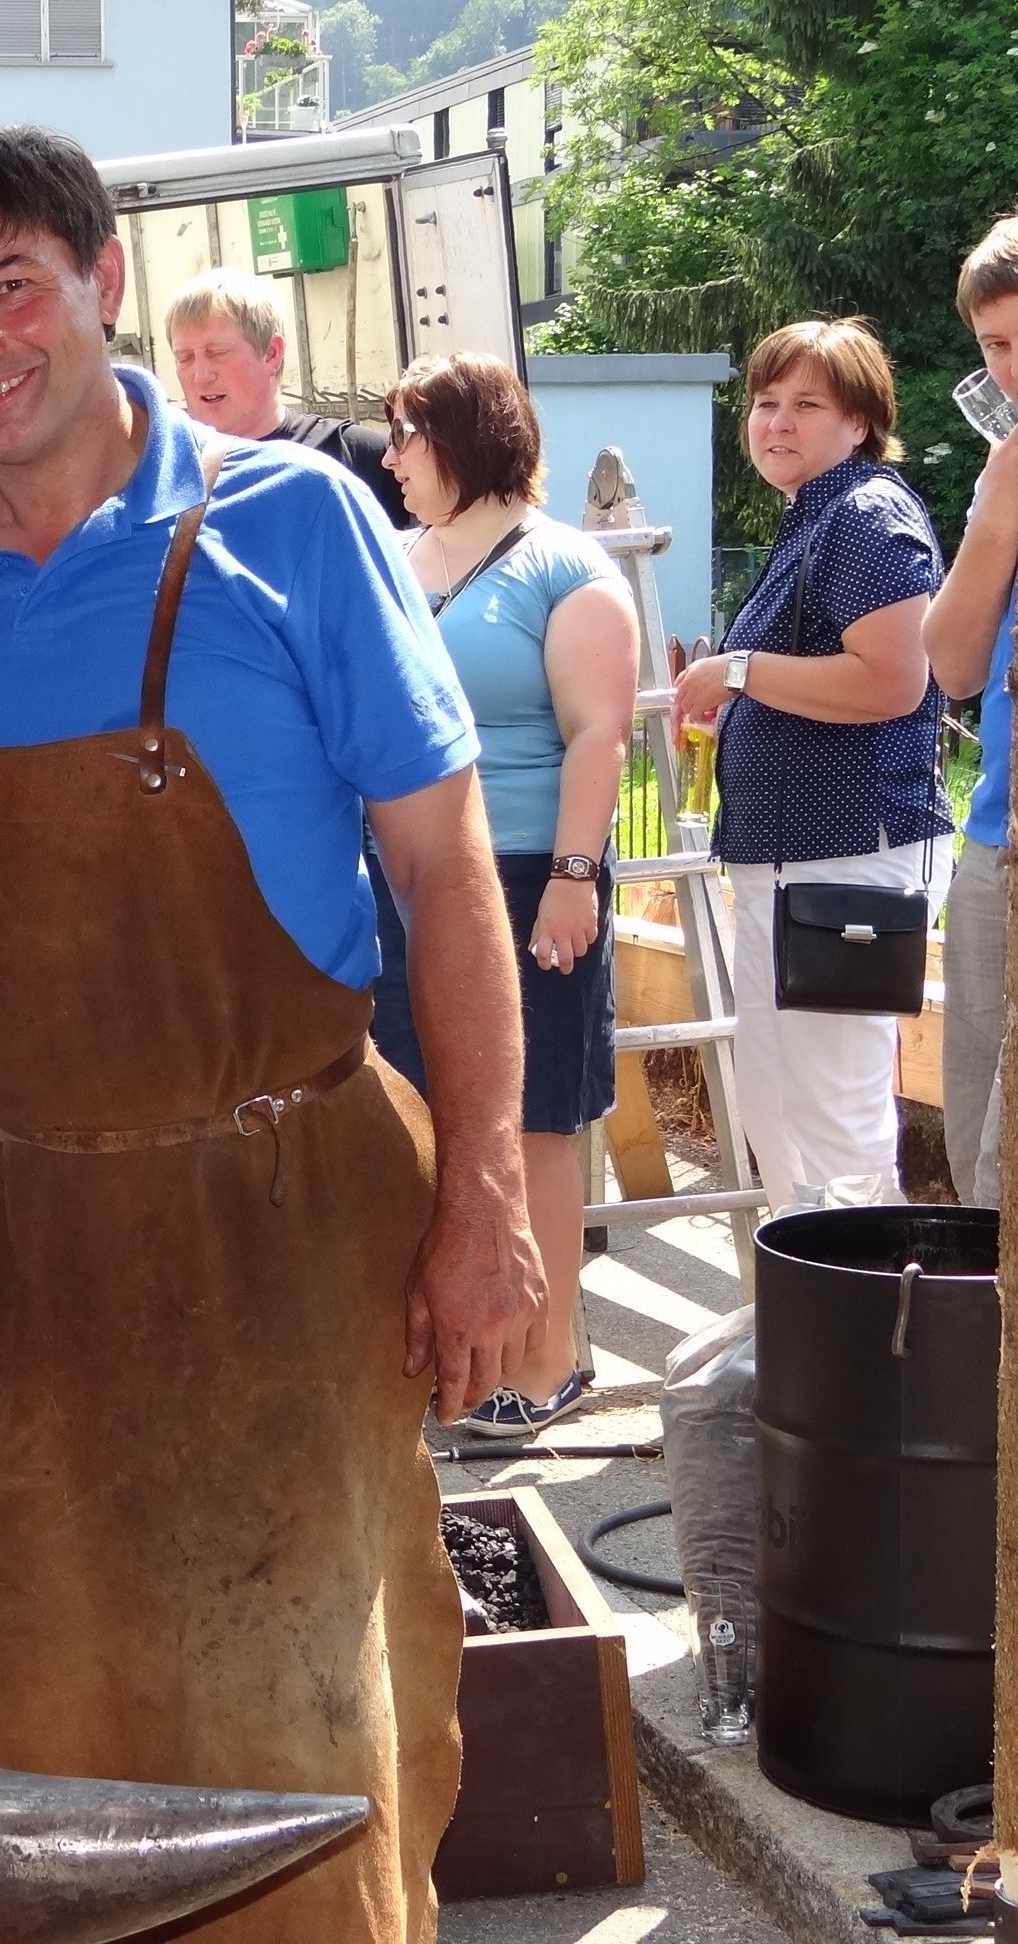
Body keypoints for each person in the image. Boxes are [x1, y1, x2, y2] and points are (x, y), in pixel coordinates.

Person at [0, 124, 546, 1940]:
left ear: (97, 282)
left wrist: (483, 1196)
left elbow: (445, 877)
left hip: (275, 1242)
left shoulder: (291, 528)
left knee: (289, 1749)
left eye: (6, 286)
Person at [367, 354, 637, 1437]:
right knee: (417, 1120)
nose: (388, 459)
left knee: (533, 1126)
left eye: (405, 435)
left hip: (530, 876)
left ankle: (540, 1362)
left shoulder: (566, 568)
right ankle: (442, 1360)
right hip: (403, 882)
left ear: (467, 437)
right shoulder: (387, 562)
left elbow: (597, 738)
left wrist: (573, 881)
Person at [673, 319, 950, 1209]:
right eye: (764, 403)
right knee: (779, 1102)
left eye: (806, 405)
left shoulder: (866, 514)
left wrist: (741, 670)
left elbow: (895, 681)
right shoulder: (814, 516)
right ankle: (805, 1315)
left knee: (835, 1113)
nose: (776, 423)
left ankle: (870, 1332)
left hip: (849, 857)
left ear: (860, 421)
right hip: (792, 859)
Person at [927, 216, 1018, 1211]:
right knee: (975, 1155)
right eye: (993, 347)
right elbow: (953, 664)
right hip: (995, 838)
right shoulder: (1002, 470)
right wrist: (1000, 511)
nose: (1008, 373)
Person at [165, 265, 415, 528]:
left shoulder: (362, 458)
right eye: (185, 358)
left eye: (217, 352)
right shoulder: (164, 472)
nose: (201, 375)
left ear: (272, 353)